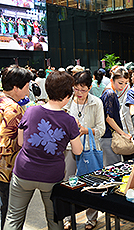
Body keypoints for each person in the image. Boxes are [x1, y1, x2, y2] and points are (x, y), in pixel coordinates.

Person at [4, 71, 83, 230]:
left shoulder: (31, 111)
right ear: (67, 95)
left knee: (13, 217)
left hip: (24, 172)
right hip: (52, 177)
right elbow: (78, 151)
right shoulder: (69, 121)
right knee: (54, 218)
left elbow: (20, 142)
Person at [63, 71, 105, 230]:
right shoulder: (67, 102)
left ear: (90, 88)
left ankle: (92, 218)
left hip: (89, 149)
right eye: (76, 89)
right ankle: (67, 217)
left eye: (83, 89)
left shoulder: (96, 103)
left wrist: (85, 130)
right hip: (69, 148)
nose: (79, 93)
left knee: (91, 184)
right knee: (67, 183)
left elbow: (101, 130)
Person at [0, 66, 32, 230]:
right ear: (16, 87)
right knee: (11, 213)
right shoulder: (14, 109)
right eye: (27, 86)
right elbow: (10, 143)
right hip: (6, 170)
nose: (28, 91)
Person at [100, 67, 132, 166]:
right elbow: (109, 118)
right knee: (112, 168)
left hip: (108, 136)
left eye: (126, 83)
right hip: (109, 137)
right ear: (112, 80)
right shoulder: (110, 93)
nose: (123, 86)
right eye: (120, 82)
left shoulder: (108, 91)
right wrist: (123, 134)